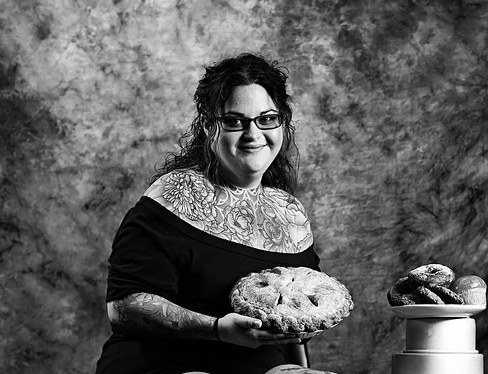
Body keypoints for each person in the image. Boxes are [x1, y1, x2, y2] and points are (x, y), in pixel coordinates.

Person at [95, 53, 336, 374]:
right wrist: (218, 329)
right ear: (210, 126)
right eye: (235, 121)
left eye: (266, 119)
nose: (253, 134)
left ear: (282, 122)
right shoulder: (174, 194)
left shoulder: (290, 213)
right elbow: (124, 307)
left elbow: (295, 324)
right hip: (165, 363)